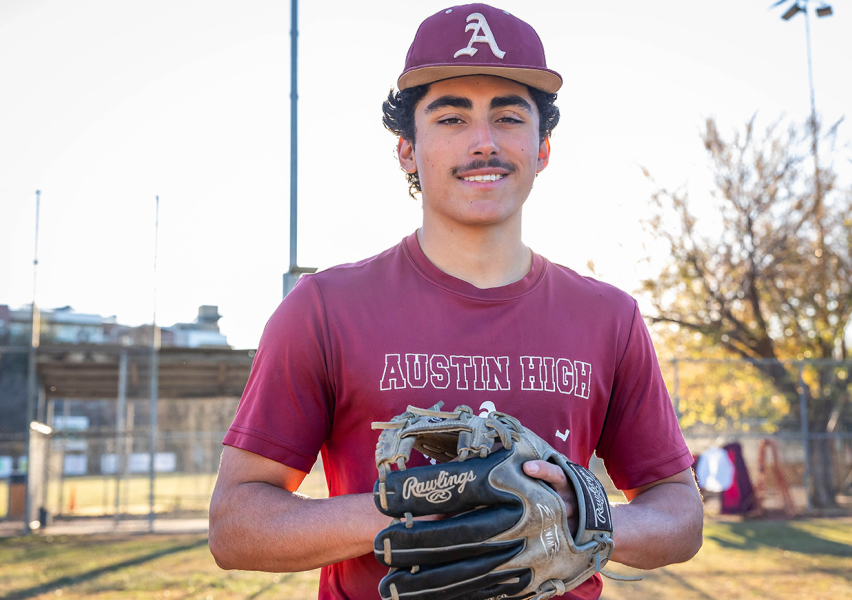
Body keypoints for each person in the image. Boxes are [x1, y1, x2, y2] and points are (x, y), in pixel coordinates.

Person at [209, 4, 703, 599]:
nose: (484, 142)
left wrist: (580, 514)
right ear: (406, 151)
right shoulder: (323, 308)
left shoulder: (609, 316)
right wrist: (412, 510)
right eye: (450, 117)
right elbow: (235, 525)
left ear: (543, 147)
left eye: (509, 116)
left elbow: (680, 514)